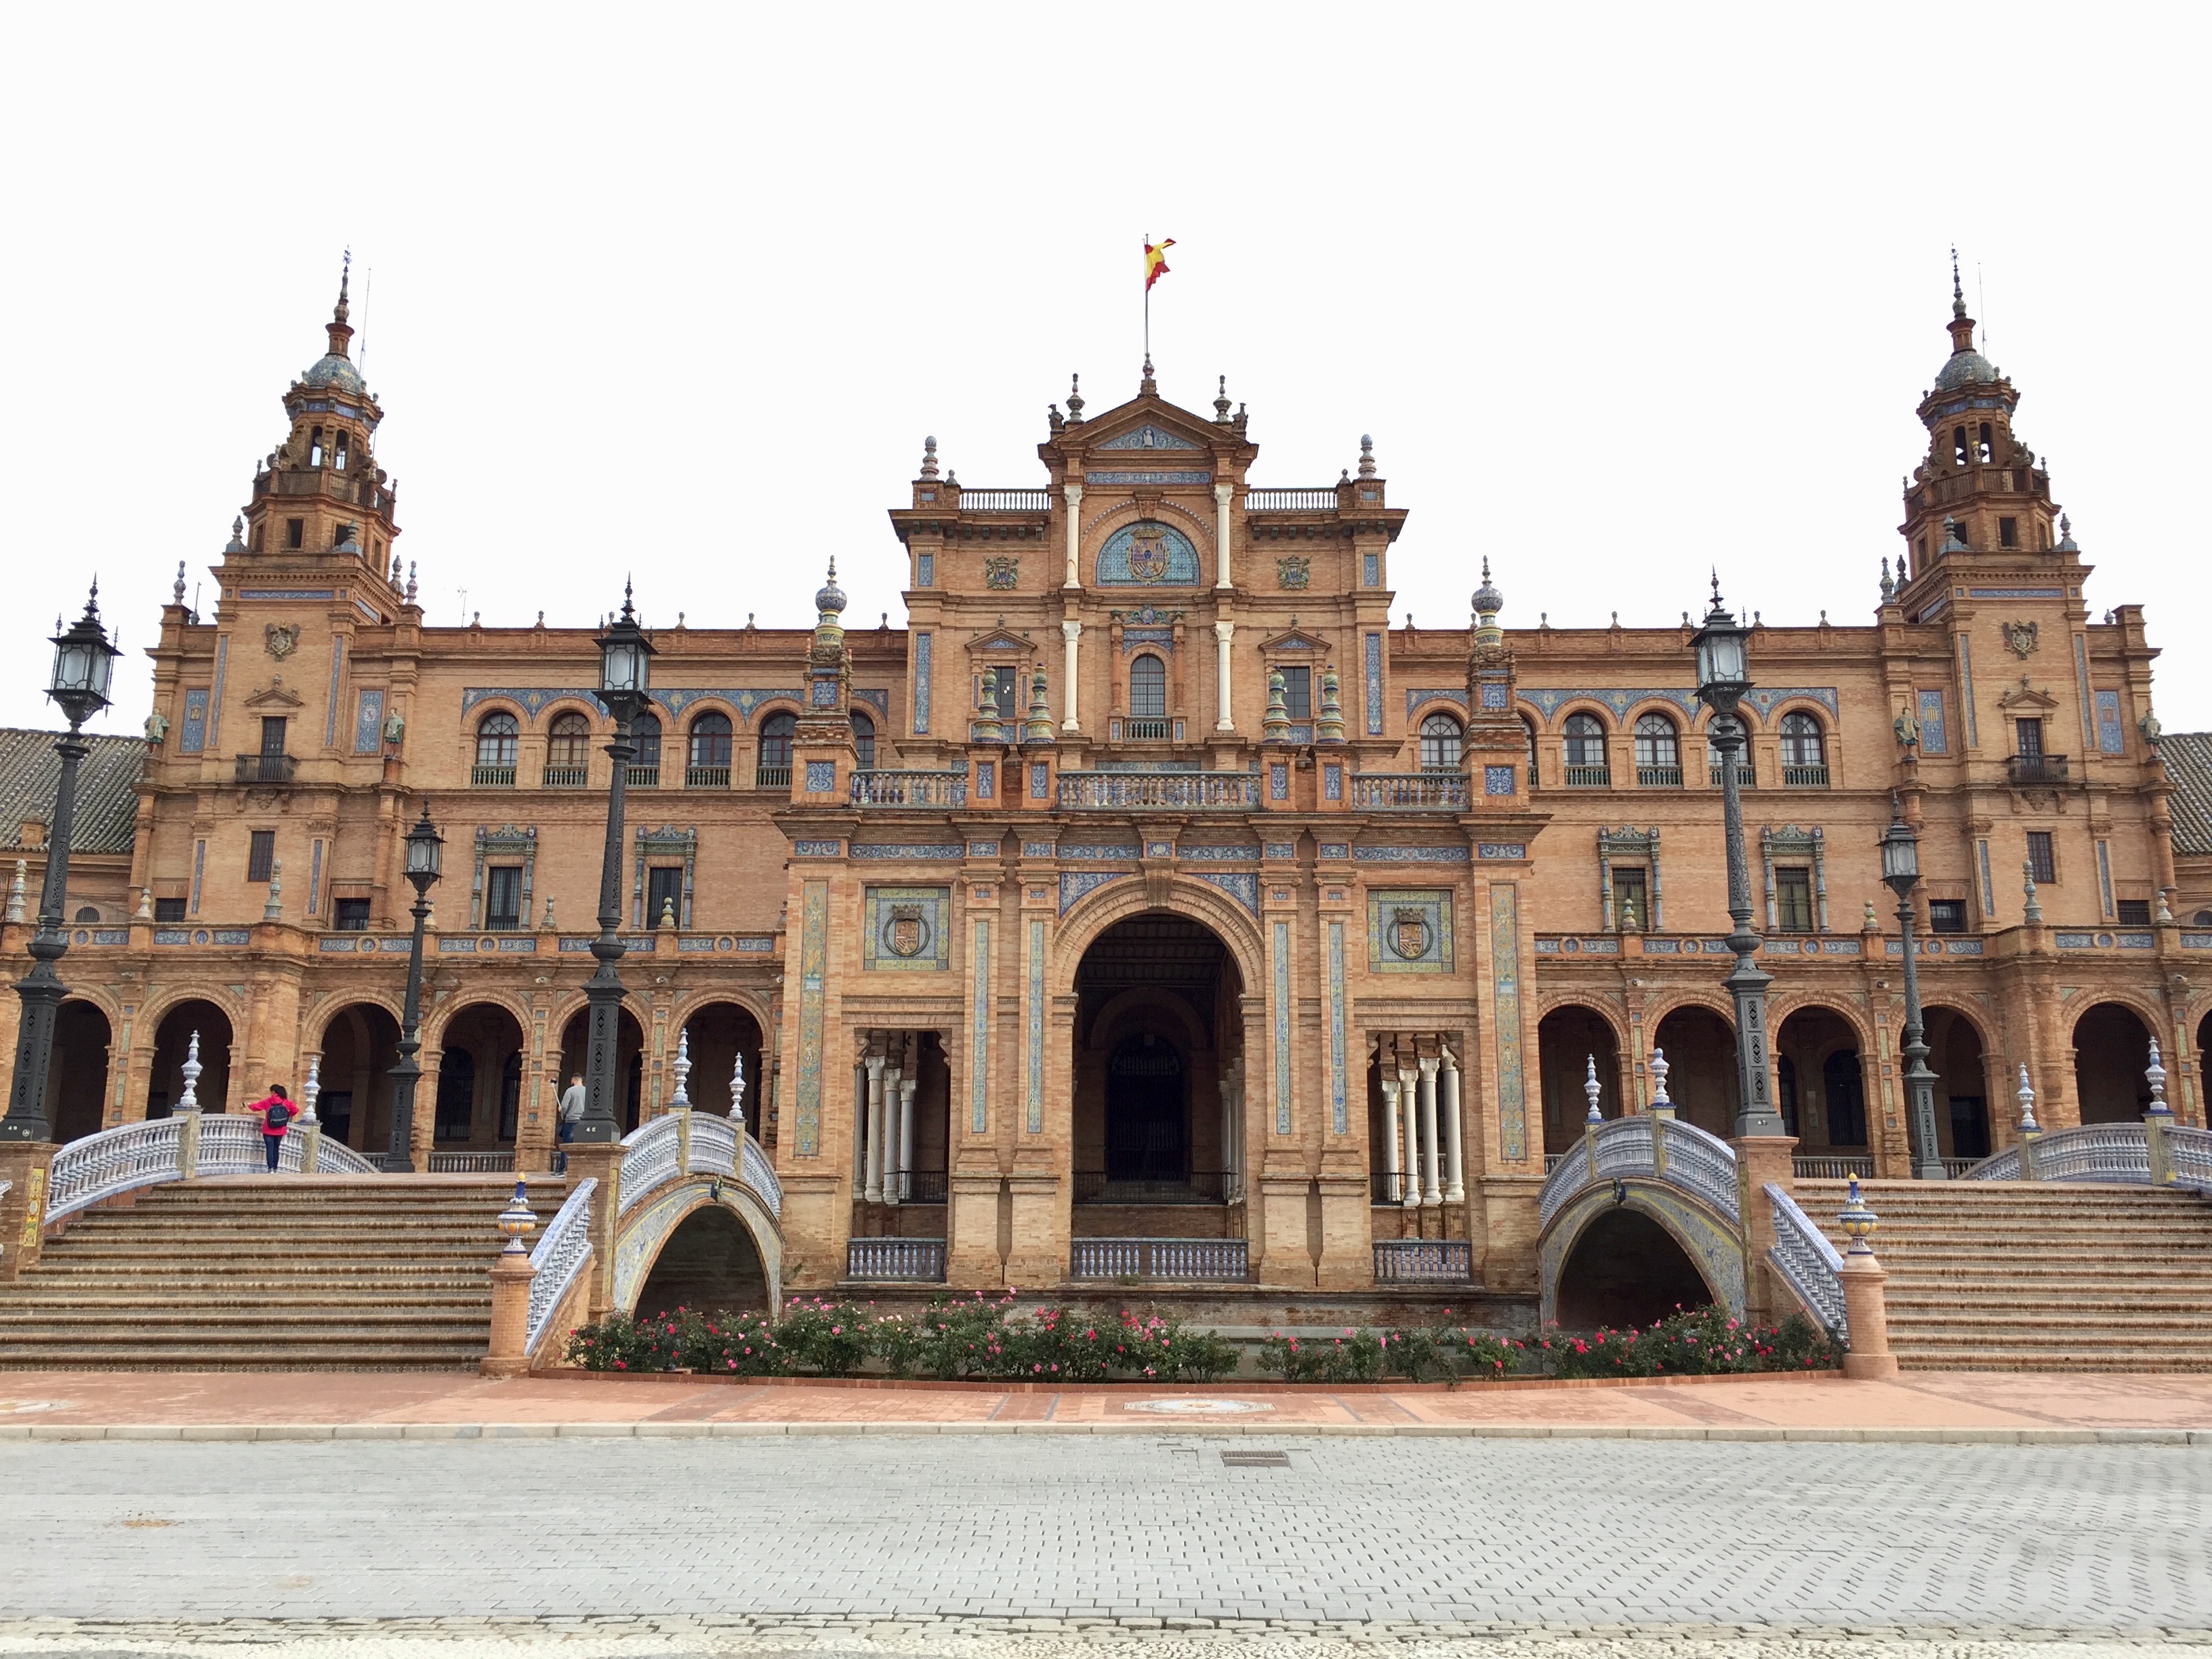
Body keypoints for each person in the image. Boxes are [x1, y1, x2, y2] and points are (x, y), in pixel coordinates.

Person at [251, 1084, 295, 1172]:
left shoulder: (269, 1101)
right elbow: (296, 1110)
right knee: (276, 1149)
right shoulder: (286, 1102)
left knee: (270, 1149)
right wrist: (287, 1115)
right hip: (280, 1130)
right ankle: (275, 1168)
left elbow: (256, 1107)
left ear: (273, 1092)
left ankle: (270, 1168)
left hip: (268, 1129)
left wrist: (249, 1105)